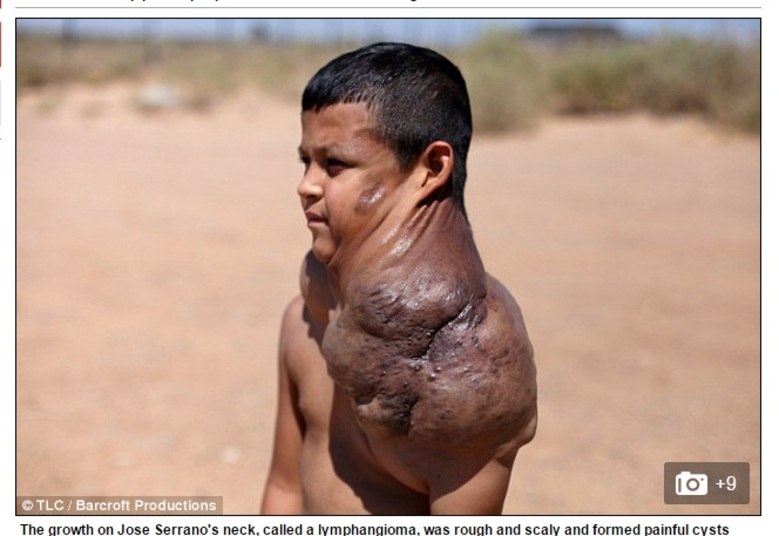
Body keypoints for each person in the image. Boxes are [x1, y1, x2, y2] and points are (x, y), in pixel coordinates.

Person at [261, 42, 537, 515]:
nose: (306, 184)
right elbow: (285, 487)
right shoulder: (305, 318)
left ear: (431, 168)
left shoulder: (469, 368)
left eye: (335, 164)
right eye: (305, 160)